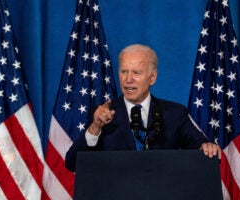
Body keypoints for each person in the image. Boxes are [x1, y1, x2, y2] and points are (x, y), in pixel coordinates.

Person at [65, 44, 221, 172]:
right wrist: (95, 127)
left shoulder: (174, 113)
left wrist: (206, 147)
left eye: (136, 73)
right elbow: (72, 163)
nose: (128, 80)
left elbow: (201, 146)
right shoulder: (101, 114)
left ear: (152, 77)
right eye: (124, 72)